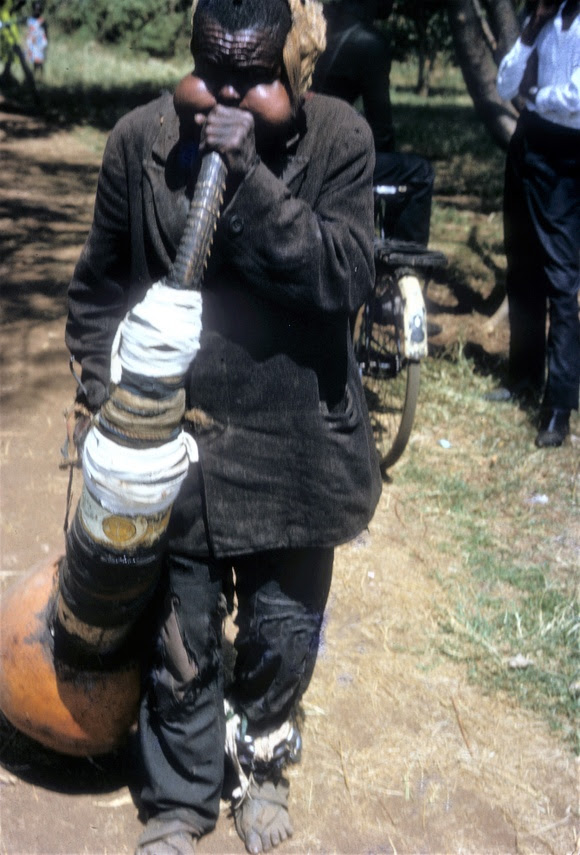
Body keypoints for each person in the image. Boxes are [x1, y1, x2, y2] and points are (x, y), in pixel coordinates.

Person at [64, 0, 382, 852]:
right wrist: (105, 394)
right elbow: (99, 285)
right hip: (181, 451)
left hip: (298, 450)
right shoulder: (142, 141)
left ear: (293, 74)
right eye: (210, 73)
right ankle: (179, 799)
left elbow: (342, 275)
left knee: (282, 637)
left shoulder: (338, 141)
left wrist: (252, 184)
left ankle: (261, 765)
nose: (224, 99)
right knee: (182, 637)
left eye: (253, 79)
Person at [492, 0, 579, 447]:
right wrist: (531, 30)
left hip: (566, 155)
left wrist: (536, 97)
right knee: (522, 262)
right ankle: (524, 373)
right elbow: (505, 82)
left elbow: (577, 101)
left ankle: (559, 403)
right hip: (528, 145)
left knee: (562, 278)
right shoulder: (542, 19)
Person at [311, 0, 434, 246]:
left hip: (299, 143)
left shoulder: (318, 24)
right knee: (419, 173)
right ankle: (400, 262)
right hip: (326, 158)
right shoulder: (369, 43)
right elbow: (381, 132)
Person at [25, 0, 47, 78]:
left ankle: (41, 76)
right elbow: (29, 31)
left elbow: (45, 33)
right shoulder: (29, 20)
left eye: (39, 9)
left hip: (40, 43)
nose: (37, 11)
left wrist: (44, 44)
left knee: (40, 60)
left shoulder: (43, 21)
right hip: (32, 42)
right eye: (36, 9)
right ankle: (34, 75)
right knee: (34, 59)